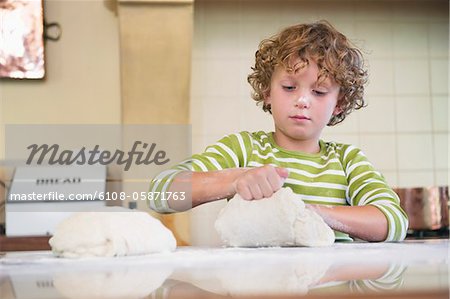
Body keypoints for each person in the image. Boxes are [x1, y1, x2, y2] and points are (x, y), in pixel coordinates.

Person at [149, 20, 408, 242]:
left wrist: (306, 213)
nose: (303, 101)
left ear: (338, 104)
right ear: (267, 92)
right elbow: (159, 192)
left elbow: (394, 221)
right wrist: (234, 179)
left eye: (318, 92)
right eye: (288, 87)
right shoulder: (243, 149)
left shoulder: (347, 161)